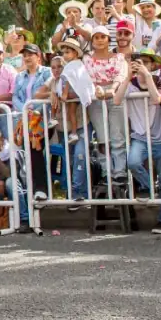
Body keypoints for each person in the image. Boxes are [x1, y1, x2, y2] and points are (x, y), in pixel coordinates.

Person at [115, 48, 161, 233]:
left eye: (146, 62)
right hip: (140, 137)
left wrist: (147, 75)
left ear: (153, 65)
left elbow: (157, 98)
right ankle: (150, 187)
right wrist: (127, 76)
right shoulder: (131, 83)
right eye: (139, 62)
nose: (142, 66)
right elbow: (117, 100)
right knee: (132, 162)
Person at [84, 24, 128, 189]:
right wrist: (97, 89)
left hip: (115, 95)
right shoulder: (87, 58)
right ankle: (106, 172)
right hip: (96, 97)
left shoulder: (119, 57)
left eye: (103, 37)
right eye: (96, 37)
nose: (100, 40)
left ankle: (120, 172)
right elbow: (87, 76)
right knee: (103, 137)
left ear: (108, 39)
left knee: (117, 135)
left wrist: (112, 89)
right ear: (92, 40)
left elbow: (121, 74)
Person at [52, 37, 94, 206]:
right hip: (64, 127)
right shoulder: (56, 80)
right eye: (53, 67)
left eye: (59, 66)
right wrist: (52, 94)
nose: (57, 69)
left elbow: (81, 86)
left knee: (80, 156)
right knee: (70, 159)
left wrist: (69, 95)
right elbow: (42, 93)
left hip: (82, 122)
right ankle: (73, 194)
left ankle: (79, 193)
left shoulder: (77, 68)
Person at [12, 43, 52, 197]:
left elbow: (50, 92)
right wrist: (24, 108)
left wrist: (33, 109)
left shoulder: (47, 73)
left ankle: (41, 188)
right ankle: (31, 188)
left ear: (38, 56)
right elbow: (15, 96)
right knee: (27, 152)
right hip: (24, 119)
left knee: (36, 149)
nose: (27, 58)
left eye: (30, 54)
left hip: (42, 119)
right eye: (25, 55)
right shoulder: (20, 76)